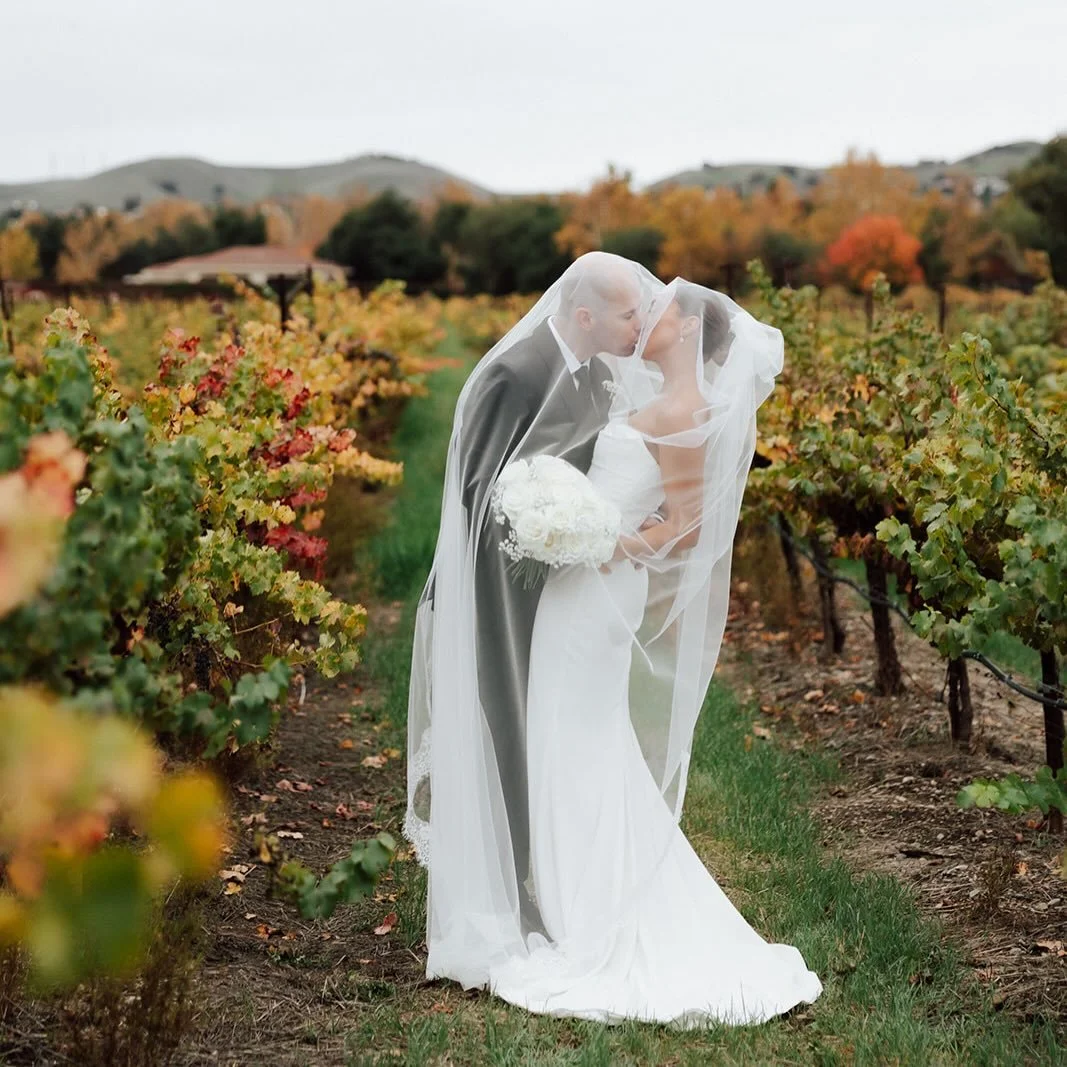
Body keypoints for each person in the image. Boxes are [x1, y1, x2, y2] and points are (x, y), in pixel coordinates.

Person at [406, 261, 823, 1024]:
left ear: (688, 328)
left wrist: (607, 541)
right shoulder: (635, 392)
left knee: (575, 736)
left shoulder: (682, 407)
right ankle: (571, 895)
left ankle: (588, 908)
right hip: (574, 585)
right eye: (636, 307)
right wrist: (570, 527)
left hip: (596, 587)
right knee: (570, 738)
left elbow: (687, 525)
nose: (645, 318)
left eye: (656, 308)